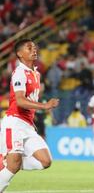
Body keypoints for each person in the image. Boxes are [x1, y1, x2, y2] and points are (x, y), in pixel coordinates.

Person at [0, 39, 59, 192]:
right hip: (14, 123)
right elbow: (19, 101)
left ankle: (8, 160)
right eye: (29, 48)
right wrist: (45, 106)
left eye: (34, 47)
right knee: (13, 167)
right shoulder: (19, 73)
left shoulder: (36, 73)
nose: (34, 50)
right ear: (19, 54)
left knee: (45, 161)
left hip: (28, 126)